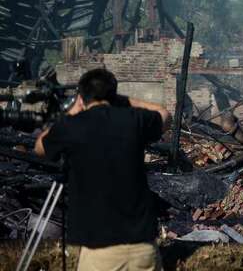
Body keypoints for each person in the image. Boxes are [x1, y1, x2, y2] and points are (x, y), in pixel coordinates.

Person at [35, 68, 171, 271]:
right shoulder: (133, 119)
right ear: (113, 94)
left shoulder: (72, 125)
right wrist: (123, 100)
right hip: (143, 247)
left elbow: (40, 147)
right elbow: (165, 115)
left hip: (100, 250)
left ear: (81, 96)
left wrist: (73, 110)